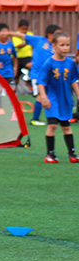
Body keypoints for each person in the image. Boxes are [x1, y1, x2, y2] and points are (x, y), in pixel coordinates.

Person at [36, 33, 79, 164]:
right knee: (52, 125)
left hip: (65, 100)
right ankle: (50, 155)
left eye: (67, 45)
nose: (65, 48)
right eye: (62, 45)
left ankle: (72, 154)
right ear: (53, 46)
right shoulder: (49, 63)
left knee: (66, 127)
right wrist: (43, 97)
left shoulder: (70, 63)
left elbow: (73, 80)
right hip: (52, 100)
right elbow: (41, 82)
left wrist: (78, 93)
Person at [8, 24, 62, 126]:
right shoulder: (39, 40)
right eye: (57, 34)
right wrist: (8, 33)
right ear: (49, 34)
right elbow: (22, 36)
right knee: (40, 96)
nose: (59, 36)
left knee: (53, 96)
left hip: (51, 76)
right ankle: (34, 119)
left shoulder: (56, 46)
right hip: (38, 75)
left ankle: (55, 118)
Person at [12, 19, 33, 92]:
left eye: (26, 29)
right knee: (16, 76)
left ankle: (29, 80)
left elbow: (33, 45)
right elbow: (18, 45)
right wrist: (26, 43)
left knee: (31, 66)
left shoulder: (30, 34)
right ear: (18, 28)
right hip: (18, 58)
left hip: (27, 57)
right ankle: (13, 92)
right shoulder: (16, 35)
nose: (24, 31)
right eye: (23, 29)